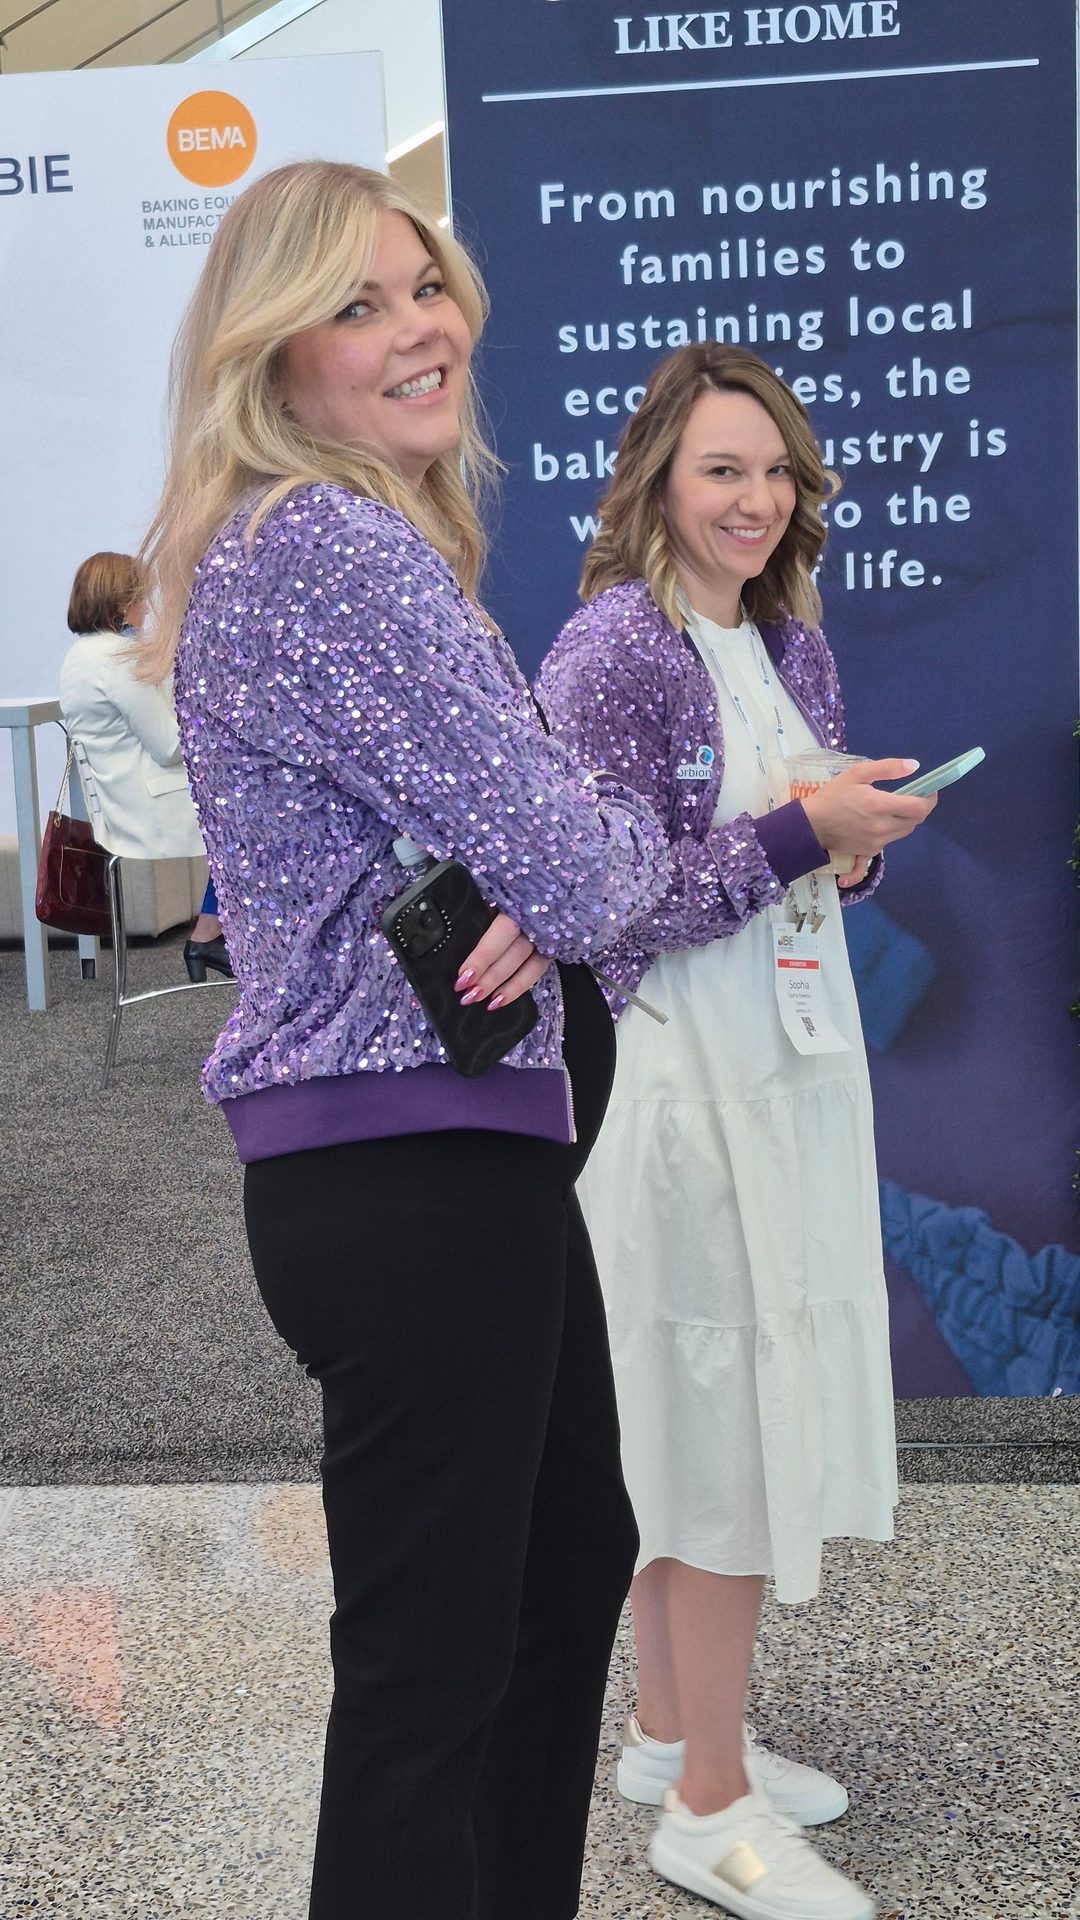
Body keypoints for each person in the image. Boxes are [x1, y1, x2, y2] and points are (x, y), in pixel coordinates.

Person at [137, 160, 673, 1920]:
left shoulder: (337, 544)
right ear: (270, 360)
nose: (416, 329)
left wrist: (528, 855)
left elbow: (542, 856)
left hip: (437, 1158)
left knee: (556, 1561)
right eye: (352, 308)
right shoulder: (335, 548)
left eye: (422, 285)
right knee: (430, 1679)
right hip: (407, 1165)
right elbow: (586, 869)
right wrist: (551, 856)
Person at [536, 342, 936, 1920]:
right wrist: (794, 831)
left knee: (708, 1400)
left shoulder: (791, 642)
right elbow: (609, 901)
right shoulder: (606, 656)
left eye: (775, 471)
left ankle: (666, 1732)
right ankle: (709, 1810)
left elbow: (784, 846)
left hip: (787, 1065)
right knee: (709, 1415)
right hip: (678, 1088)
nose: (759, 500)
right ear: (654, 479)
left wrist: (849, 852)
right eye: (724, 470)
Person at [58, 551, 232, 980]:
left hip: (126, 800)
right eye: (142, 596)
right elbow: (170, 744)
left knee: (256, 814)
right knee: (264, 817)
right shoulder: (117, 659)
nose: (147, 605)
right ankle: (215, 935)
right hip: (148, 806)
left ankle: (215, 932)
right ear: (122, 601)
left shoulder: (82, 655)